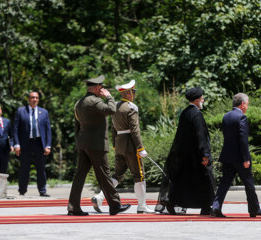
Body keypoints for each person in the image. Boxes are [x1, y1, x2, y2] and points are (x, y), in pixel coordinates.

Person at [67, 75, 131, 216]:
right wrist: (108, 96)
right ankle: (115, 205)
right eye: (101, 87)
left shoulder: (79, 102)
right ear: (96, 88)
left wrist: (79, 142)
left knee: (79, 176)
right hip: (96, 145)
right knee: (105, 175)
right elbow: (111, 110)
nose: (102, 89)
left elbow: (76, 125)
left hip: (83, 144)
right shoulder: (95, 101)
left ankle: (73, 207)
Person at [91, 79, 153, 214]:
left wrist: (115, 144)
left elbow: (113, 128)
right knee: (139, 175)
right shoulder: (131, 107)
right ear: (129, 93)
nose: (134, 94)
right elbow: (135, 130)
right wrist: (140, 148)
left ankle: (100, 197)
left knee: (118, 175)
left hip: (119, 143)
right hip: (130, 145)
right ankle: (142, 205)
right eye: (133, 91)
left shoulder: (116, 107)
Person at [155, 87, 215, 215]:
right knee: (205, 180)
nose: (203, 99)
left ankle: (171, 201)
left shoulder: (185, 113)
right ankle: (206, 206)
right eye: (202, 98)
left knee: (184, 182)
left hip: (185, 156)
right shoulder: (197, 114)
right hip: (197, 156)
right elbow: (201, 136)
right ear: (197, 100)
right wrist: (205, 154)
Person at [211, 93, 261, 218]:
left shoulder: (226, 116)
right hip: (240, 158)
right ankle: (254, 209)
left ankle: (216, 206)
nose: (247, 107)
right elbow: (243, 140)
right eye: (247, 104)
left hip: (227, 156)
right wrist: (246, 158)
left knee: (224, 183)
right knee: (249, 183)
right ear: (242, 104)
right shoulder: (241, 117)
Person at [14, 92, 52, 197]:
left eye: (36, 98)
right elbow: (16, 129)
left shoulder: (44, 112)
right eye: (32, 97)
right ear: (28, 99)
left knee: (41, 168)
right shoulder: (21, 111)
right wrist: (16, 144)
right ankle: (22, 191)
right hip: (25, 143)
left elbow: (48, 130)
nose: (34, 99)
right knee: (24, 168)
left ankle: (42, 190)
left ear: (38, 99)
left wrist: (48, 145)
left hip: (39, 143)